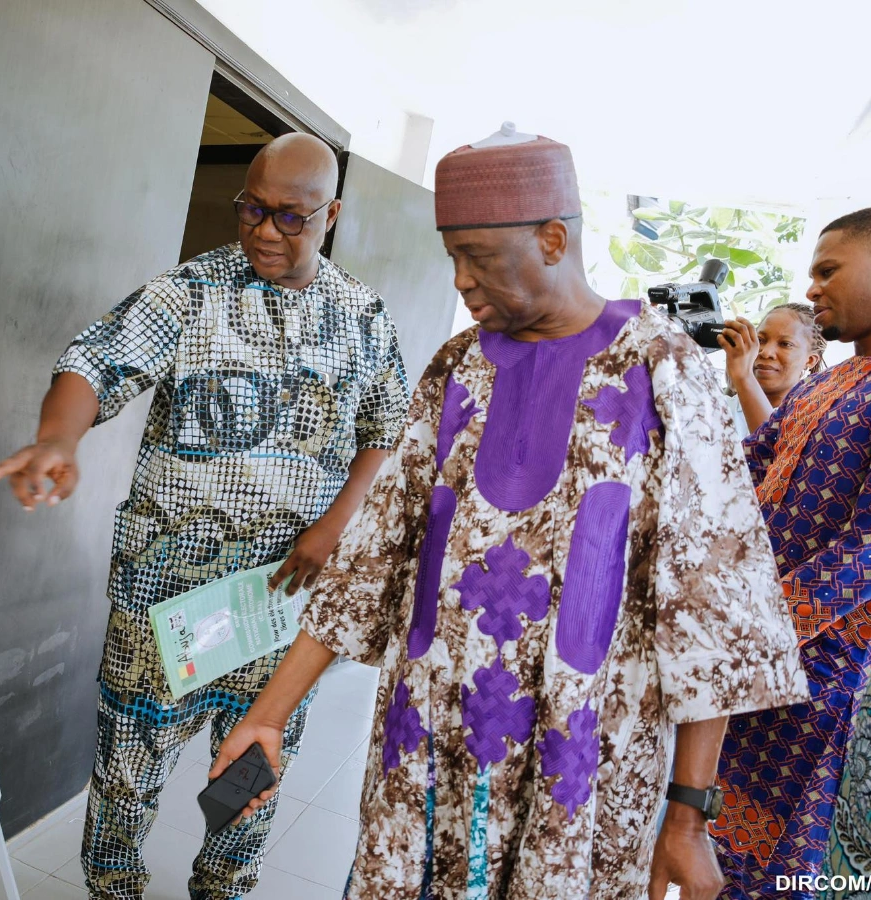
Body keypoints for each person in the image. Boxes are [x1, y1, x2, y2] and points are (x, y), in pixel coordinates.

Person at [210, 132, 808, 900]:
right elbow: (372, 558)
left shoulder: (664, 373)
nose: (460, 279)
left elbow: (712, 608)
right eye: (450, 255)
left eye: (480, 255)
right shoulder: (456, 368)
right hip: (424, 748)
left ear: (553, 238)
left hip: (578, 769)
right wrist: (268, 715)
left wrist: (687, 819)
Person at [0, 133, 409, 899]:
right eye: (252, 210)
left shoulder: (362, 316)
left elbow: (386, 431)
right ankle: (114, 890)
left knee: (248, 779)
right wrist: (57, 437)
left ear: (331, 215)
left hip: (279, 606)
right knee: (126, 776)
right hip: (165, 603)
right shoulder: (190, 292)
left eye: (290, 217)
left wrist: (331, 528)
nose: (263, 232)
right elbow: (94, 361)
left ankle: (223, 888)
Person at [710, 209, 871, 900]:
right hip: (757, 661)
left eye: (828, 270)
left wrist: (765, 625)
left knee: (794, 869)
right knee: (723, 848)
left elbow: (865, 551)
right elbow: (751, 467)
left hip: (825, 685)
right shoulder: (828, 385)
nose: (812, 287)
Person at [719, 303, 826, 436]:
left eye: (785, 344)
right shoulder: (715, 408)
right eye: (760, 340)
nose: (766, 352)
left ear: (810, 360)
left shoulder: (815, 423)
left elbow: (776, 451)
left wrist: (743, 377)